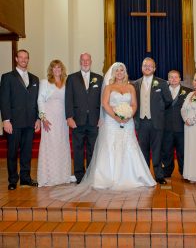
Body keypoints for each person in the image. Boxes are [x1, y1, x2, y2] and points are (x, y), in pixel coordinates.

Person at [50, 62, 156, 200]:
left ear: (125, 72)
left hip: (127, 123)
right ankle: (109, 177)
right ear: (113, 73)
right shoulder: (108, 87)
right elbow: (105, 104)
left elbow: (134, 104)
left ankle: (133, 176)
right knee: (111, 148)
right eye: (117, 71)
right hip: (112, 122)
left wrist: (129, 115)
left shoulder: (130, 87)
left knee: (129, 148)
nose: (119, 73)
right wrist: (116, 117)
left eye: (122, 70)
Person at [0, 49, 40, 190]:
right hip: (14, 123)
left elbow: (37, 101)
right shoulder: (7, 77)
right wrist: (6, 120)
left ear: (28, 59)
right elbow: (4, 100)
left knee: (26, 151)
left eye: (26, 57)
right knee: (12, 152)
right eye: (21, 57)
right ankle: (12, 179)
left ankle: (25, 178)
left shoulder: (35, 79)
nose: (24, 60)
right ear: (16, 59)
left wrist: (38, 119)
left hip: (30, 122)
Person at [133, 58, 173, 185]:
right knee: (143, 150)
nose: (147, 68)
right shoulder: (135, 84)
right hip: (141, 122)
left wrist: (158, 111)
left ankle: (159, 175)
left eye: (150, 66)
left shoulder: (161, 83)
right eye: (145, 65)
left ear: (155, 68)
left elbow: (168, 100)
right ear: (141, 67)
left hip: (156, 121)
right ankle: (144, 175)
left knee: (157, 149)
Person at [65, 53, 103, 184]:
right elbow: (68, 99)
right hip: (77, 120)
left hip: (94, 120)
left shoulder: (99, 78)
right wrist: (69, 117)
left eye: (87, 60)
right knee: (78, 149)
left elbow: (102, 100)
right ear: (80, 61)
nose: (85, 62)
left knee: (93, 149)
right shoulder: (71, 78)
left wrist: (101, 117)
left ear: (91, 61)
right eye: (83, 60)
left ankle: (91, 174)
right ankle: (79, 176)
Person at [37, 60, 71, 187]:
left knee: (61, 145)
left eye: (59, 67)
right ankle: (49, 176)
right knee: (50, 147)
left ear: (62, 70)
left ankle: (62, 175)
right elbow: (40, 100)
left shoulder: (66, 84)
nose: (57, 70)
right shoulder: (45, 82)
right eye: (54, 68)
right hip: (49, 120)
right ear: (51, 70)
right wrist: (43, 118)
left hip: (62, 120)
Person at [161, 70, 192, 177]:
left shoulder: (188, 92)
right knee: (166, 151)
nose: (173, 79)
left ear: (180, 79)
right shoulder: (162, 91)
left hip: (182, 127)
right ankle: (167, 171)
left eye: (176, 77)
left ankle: (184, 172)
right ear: (168, 79)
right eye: (171, 77)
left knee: (182, 152)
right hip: (166, 127)